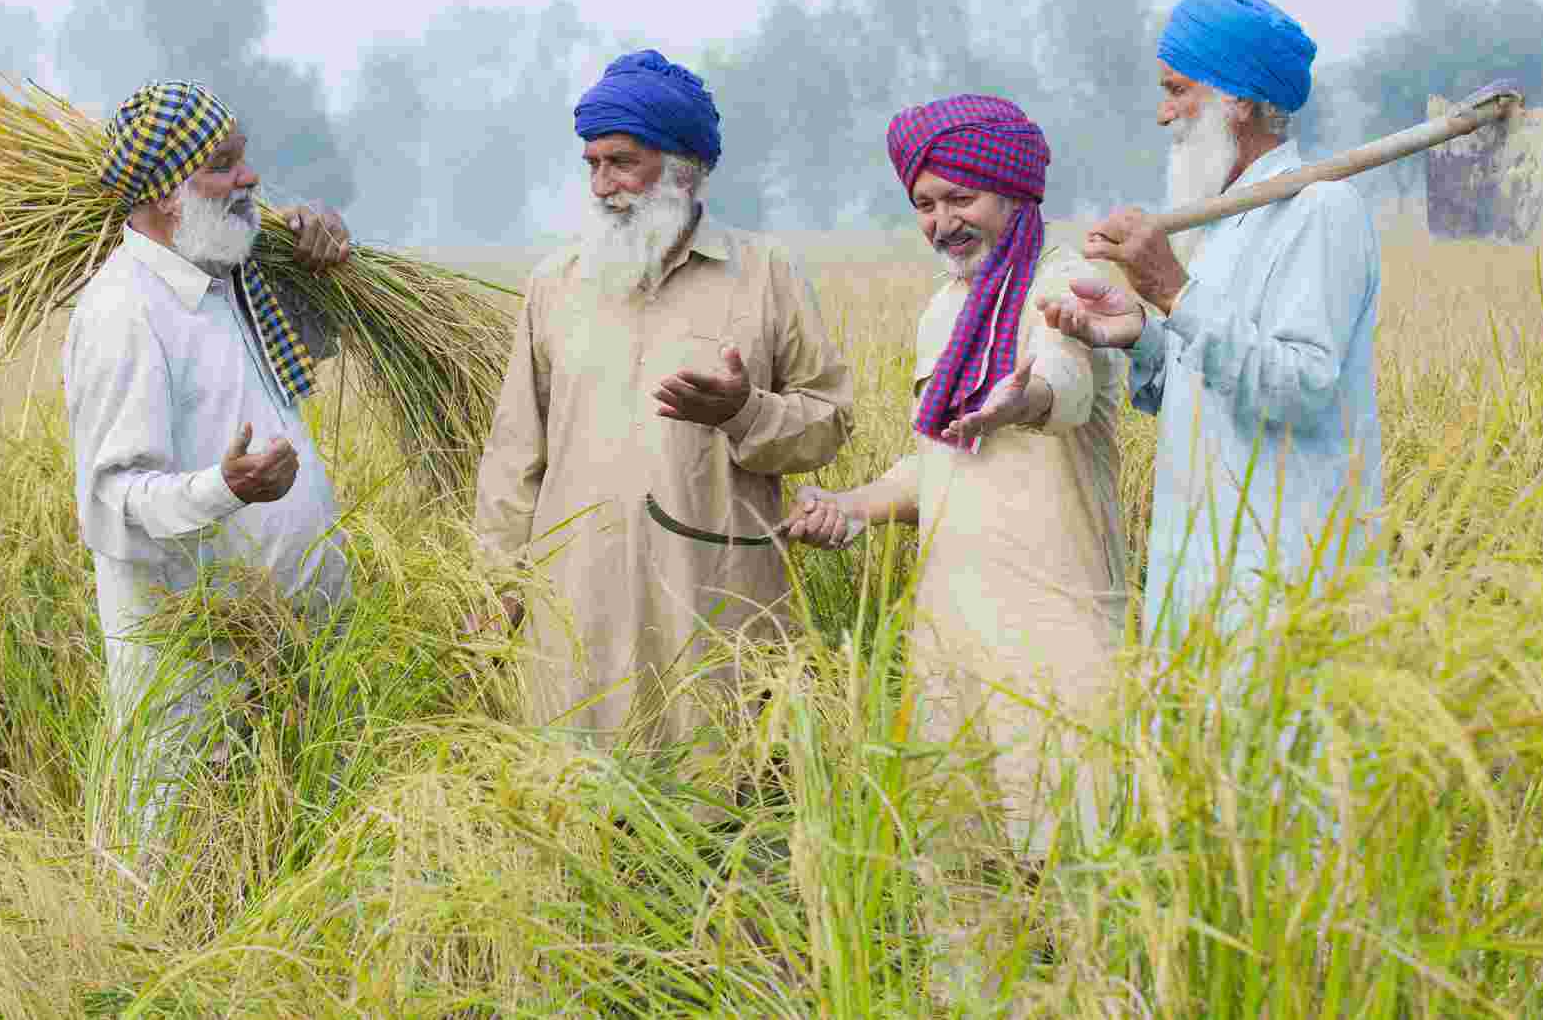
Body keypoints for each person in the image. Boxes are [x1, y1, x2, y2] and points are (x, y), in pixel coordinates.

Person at [472, 49, 854, 753]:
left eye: (622, 162)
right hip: (575, 607)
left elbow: (827, 423)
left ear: (684, 166)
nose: (603, 184)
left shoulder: (764, 274)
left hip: (716, 604)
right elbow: (514, 454)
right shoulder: (555, 284)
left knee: (725, 810)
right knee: (579, 815)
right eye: (591, 165)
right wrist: (496, 586)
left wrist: (745, 413)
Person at [781, 95, 1128, 856]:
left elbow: (1063, 387)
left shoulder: (1068, 282)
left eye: (960, 198)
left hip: (1057, 624)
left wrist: (1019, 400)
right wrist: (849, 507)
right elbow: (936, 464)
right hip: (953, 623)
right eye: (925, 204)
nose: (942, 223)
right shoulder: (946, 307)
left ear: (1011, 189)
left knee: (1075, 864)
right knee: (954, 869)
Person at [1039, 0, 1385, 643]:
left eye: (1177, 90)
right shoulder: (1225, 224)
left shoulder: (1319, 212)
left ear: (1239, 100)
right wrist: (1142, 334)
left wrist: (1170, 289)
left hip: (1286, 588)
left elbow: (1298, 389)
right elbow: (1209, 388)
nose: (1163, 113)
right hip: (1202, 578)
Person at [63, 80, 354, 854]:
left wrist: (322, 257)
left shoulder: (229, 282)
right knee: (183, 865)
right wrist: (223, 489)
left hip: (284, 653)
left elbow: (298, 357)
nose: (250, 179)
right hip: (196, 670)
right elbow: (113, 501)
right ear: (165, 192)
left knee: (275, 876)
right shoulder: (126, 310)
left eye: (244, 159)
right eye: (223, 166)